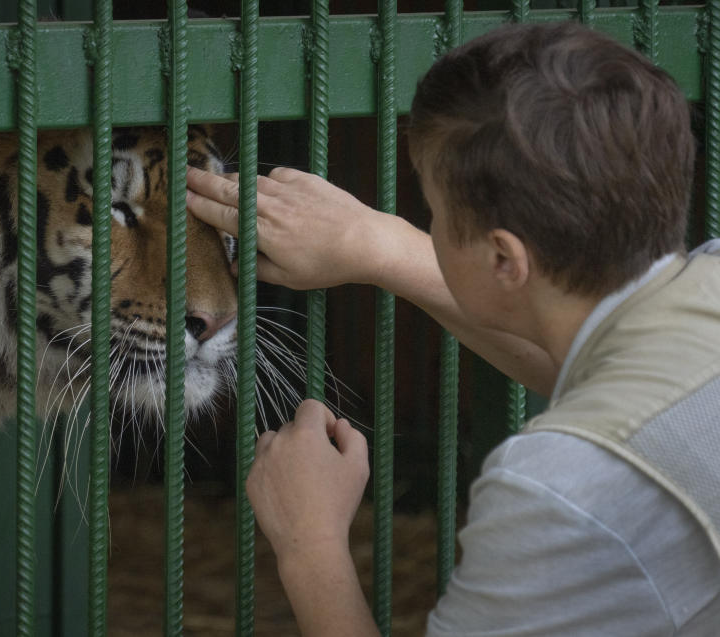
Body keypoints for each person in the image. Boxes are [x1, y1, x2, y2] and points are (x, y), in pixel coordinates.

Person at [185, 21, 720, 637]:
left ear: (503, 261)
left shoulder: (557, 487)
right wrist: (373, 244)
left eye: (432, 215)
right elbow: (623, 377)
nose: (425, 229)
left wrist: (309, 543)